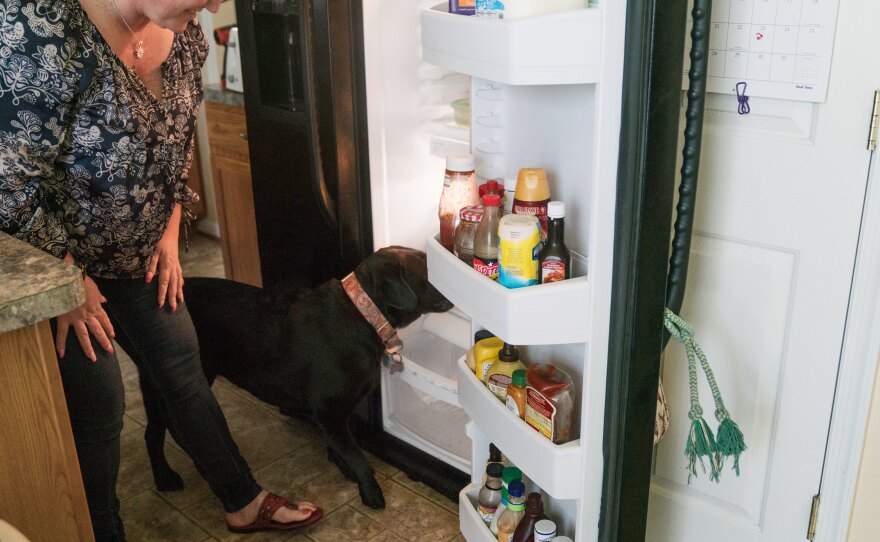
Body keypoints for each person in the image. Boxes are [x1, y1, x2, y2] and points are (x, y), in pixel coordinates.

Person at [0, 1, 322, 540]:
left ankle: (242, 502)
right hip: (58, 262)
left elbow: (176, 147)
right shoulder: (41, 29)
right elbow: (8, 185)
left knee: (181, 364)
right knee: (100, 405)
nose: (215, 5)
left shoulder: (185, 33)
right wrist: (68, 280)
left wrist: (170, 231)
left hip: (140, 257)